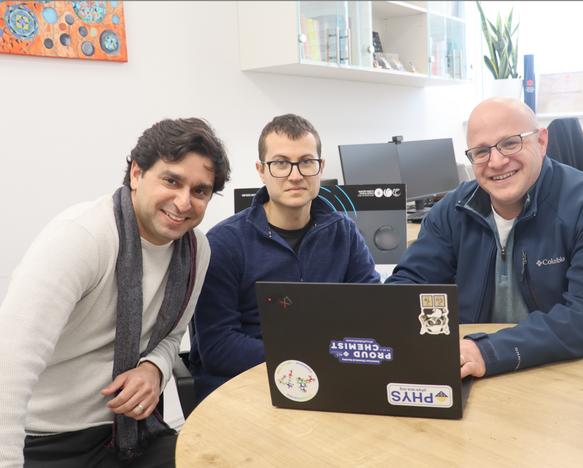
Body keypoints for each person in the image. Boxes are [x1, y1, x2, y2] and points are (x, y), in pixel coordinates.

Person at [0, 118, 230, 467]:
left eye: (200, 191)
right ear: (137, 173)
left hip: (134, 434)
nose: (184, 202)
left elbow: (173, 337)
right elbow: (10, 366)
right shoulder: (82, 238)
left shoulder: (197, 249)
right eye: (171, 180)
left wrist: (153, 368)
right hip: (46, 440)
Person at [386, 98, 583, 379]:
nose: (496, 161)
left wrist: (490, 351)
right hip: (472, 369)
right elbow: (407, 289)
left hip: (563, 373)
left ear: (541, 141)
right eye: (481, 151)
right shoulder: (452, 211)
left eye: (510, 143)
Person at [189, 114, 380, 401]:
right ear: (261, 170)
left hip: (331, 379)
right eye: (280, 163)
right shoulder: (224, 243)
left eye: (306, 162)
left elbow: (374, 312)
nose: (295, 175)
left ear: (320, 168)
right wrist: (311, 357)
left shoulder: (345, 233)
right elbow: (218, 347)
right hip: (248, 386)